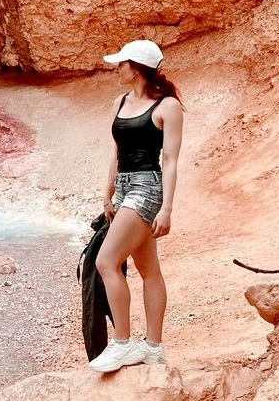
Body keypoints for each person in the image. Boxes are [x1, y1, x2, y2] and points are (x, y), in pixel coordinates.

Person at [88, 39, 184, 373]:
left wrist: (167, 208)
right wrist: (108, 195)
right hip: (126, 187)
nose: (116, 69)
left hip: (147, 187)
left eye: (121, 64)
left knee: (105, 261)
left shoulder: (167, 106)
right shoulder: (120, 101)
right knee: (149, 270)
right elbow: (116, 153)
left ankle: (123, 345)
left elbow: (170, 160)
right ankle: (154, 349)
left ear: (137, 67)